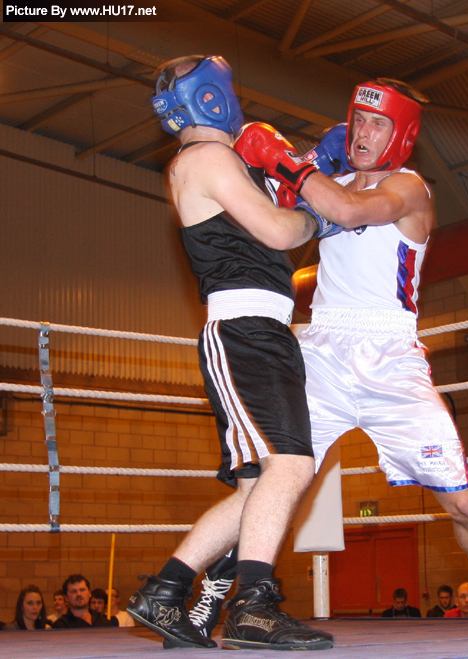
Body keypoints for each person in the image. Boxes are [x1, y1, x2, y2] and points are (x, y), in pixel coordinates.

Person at [237, 78, 468, 635]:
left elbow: (347, 211)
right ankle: (216, 598)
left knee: (461, 500)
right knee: (270, 479)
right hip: (322, 350)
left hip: (392, 357)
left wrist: (290, 163)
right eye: (359, 120)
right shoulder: (331, 181)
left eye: (378, 124)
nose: (364, 133)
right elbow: (278, 234)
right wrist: (270, 178)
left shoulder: (410, 188)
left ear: (403, 136)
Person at [126, 54, 336, 652]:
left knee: (253, 489)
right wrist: (314, 208)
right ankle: (253, 607)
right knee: (291, 466)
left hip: (258, 329)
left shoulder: (215, 162)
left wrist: (297, 174)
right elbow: (280, 233)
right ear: (214, 97)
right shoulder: (210, 158)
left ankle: (164, 595)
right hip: (245, 331)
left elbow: (267, 239)